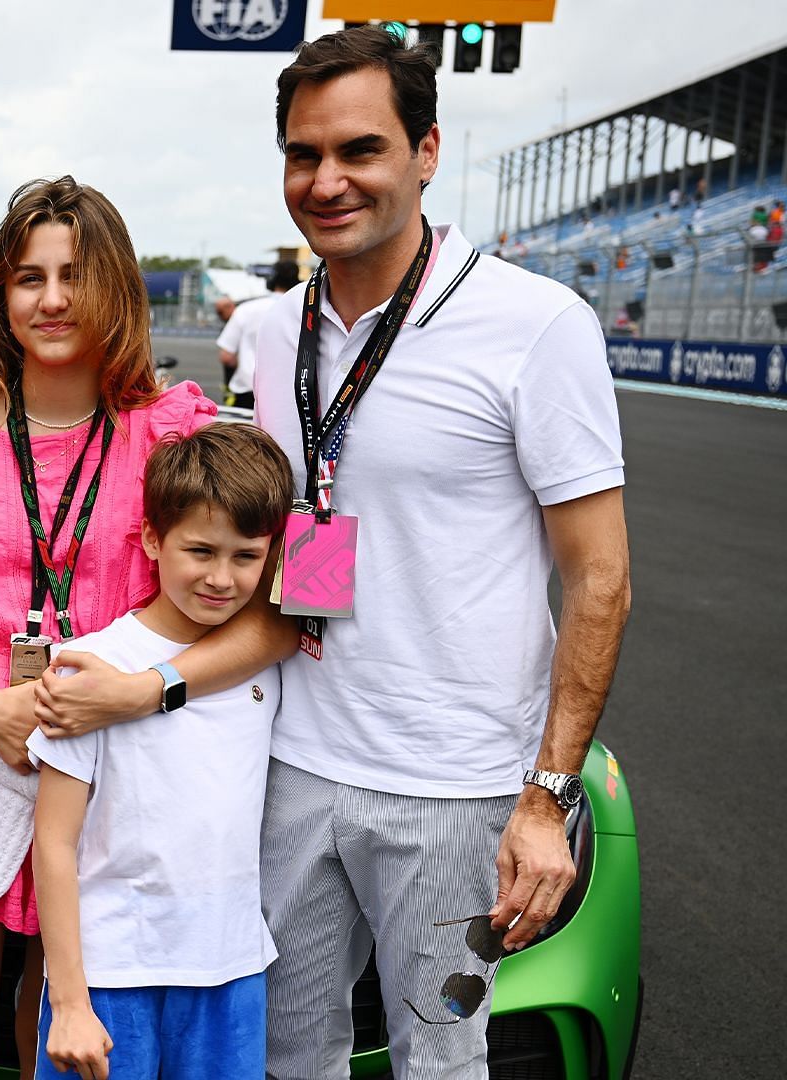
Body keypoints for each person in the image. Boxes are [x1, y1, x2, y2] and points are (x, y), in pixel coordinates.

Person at [246, 27, 628, 1075]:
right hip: (292, 764)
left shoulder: (536, 323)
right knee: (289, 1058)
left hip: (456, 791)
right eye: (302, 154)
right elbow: (308, 512)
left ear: (426, 152)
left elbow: (601, 577)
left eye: (360, 149)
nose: (327, 181)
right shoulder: (275, 331)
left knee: (439, 1058)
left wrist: (543, 800)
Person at [0, 177, 218, 1079]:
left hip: (109, 779)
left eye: (75, 275)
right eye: (29, 277)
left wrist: (138, 690)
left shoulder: (170, 439)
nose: (53, 299)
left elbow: (257, 608)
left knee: (58, 1056)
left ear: (117, 292)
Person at [30, 423, 294, 1080]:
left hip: (231, 968)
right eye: (199, 551)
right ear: (151, 538)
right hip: (112, 975)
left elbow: (312, 606)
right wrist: (68, 1001)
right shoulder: (93, 669)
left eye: (246, 557)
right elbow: (53, 843)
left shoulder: (272, 654)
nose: (220, 577)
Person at [213, 261, 299, 410]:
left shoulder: (247, 309)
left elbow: (226, 356)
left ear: (271, 281)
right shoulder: (305, 309)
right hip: (291, 395)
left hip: (248, 391)